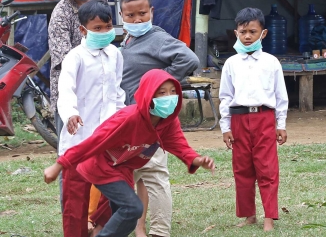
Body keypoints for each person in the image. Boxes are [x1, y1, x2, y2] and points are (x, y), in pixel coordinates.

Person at [44, 69, 215, 237]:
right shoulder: (128, 118)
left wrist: (198, 160)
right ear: (149, 95)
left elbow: (180, 145)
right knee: (132, 208)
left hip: (121, 170)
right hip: (99, 166)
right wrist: (59, 165)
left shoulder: (168, 122)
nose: (169, 97)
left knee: (126, 217)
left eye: (172, 92)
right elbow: (93, 142)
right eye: (162, 93)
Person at [118, 0, 200, 237]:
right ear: (121, 15)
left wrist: (157, 86)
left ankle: (160, 231)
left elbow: (190, 59)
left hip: (149, 120)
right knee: (139, 176)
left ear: (151, 11)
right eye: (130, 15)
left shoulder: (157, 38)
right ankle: (140, 229)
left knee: (154, 175)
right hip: (131, 119)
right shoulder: (129, 39)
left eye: (142, 13)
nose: (136, 19)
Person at [48, 0, 108, 230]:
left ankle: (99, 221)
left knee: (104, 157)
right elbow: (64, 64)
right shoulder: (60, 14)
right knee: (71, 160)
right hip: (70, 96)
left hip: (100, 93)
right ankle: (73, 223)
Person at [56, 0, 125, 237]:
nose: (104, 32)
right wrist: (70, 113)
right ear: (83, 30)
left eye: (107, 26)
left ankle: (99, 230)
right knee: (76, 197)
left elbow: (117, 93)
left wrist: (122, 122)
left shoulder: (115, 54)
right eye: (97, 28)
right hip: (79, 138)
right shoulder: (74, 57)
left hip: (107, 137)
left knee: (113, 192)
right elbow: (65, 91)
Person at [219, 7, 289, 231]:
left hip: (264, 118)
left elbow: (281, 96)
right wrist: (225, 127)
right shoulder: (231, 64)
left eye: (252, 31)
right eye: (242, 32)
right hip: (238, 119)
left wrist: (281, 124)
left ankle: (270, 216)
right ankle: (249, 215)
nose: (247, 36)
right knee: (242, 169)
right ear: (236, 32)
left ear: (263, 33)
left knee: (267, 168)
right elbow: (225, 97)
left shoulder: (271, 62)